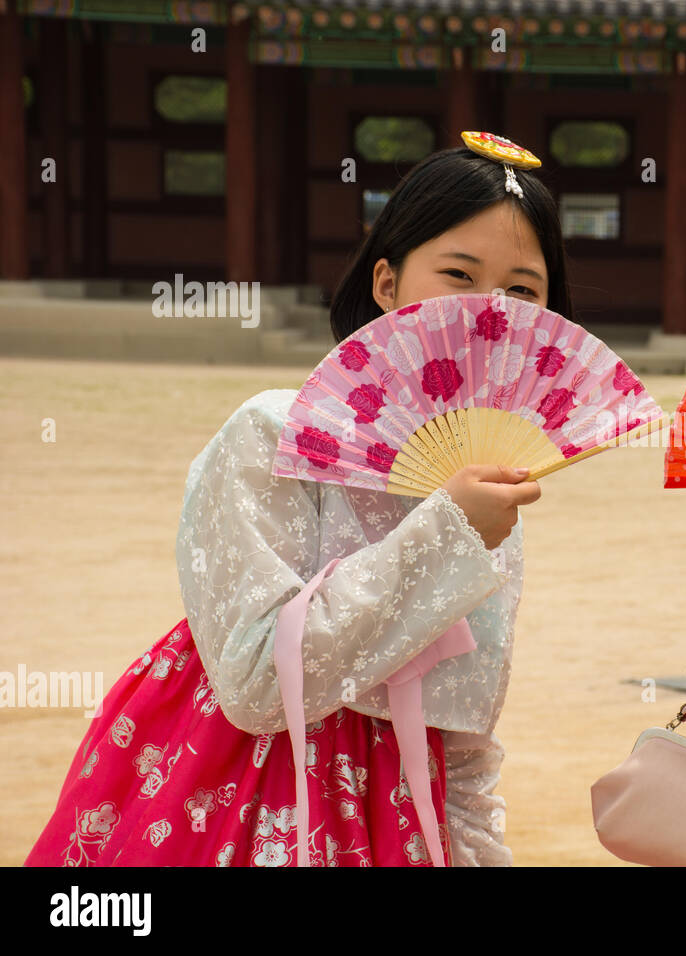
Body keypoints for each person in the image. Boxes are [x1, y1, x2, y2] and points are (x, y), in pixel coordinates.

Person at [25, 133, 564, 867]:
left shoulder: (494, 489)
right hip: (231, 791)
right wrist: (448, 533)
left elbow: (464, 739)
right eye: (459, 274)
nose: (487, 313)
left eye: (522, 291)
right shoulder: (277, 431)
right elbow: (253, 686)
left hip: (399, 819)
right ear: (387, 283)